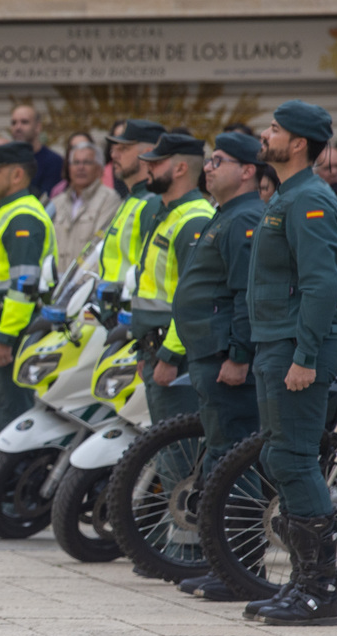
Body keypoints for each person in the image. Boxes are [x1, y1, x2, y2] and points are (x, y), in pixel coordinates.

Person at [245, 101, 337, 626]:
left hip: (298, 347)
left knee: (297, 458)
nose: (265, 134)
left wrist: (305, 355)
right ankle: (305, 584)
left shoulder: (309, 200)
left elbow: (323, 283)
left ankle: (319, 592)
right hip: (276, 343)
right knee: (282, 457)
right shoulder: (287, 197)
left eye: (275, 129)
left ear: (298, 142)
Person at [160, 131, 265, 603]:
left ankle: (240, 567)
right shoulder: (225, 216)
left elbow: (247, 295)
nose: (208, 166)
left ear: (247, 170)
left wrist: (239, 356)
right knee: (222, 457)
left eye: (218, 160)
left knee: (233, 462)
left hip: (225, 358)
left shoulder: (245, 220)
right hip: (209, 354)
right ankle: (222, 562)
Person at [0, 142, 57, 429]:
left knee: (14, 412)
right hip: (1, 321)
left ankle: (15, 473)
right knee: (8, 407)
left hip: (12, 328)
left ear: (17, 175)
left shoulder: (23, 217)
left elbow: (24, 283)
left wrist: (6, 339)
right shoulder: (10, 212)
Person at [132, 134, 214, 424]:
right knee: (165, 449)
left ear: (180, 169)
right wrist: (145, 350)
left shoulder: (194, 220)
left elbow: (193, 297)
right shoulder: (168, 214)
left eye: (156, 162)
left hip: (176, 355)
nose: (148, 167)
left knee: (177, 455)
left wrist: (169, 355)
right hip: (157, 348)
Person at [100, 120, 166, 290]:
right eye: (114, 148)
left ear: (148, 154)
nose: (114, 155)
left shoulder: (153, 202)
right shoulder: (133, 198)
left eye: (124, 149)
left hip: (129, 309)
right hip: (114, 308)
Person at [49, 141, 122, 271]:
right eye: (76, 163)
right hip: (56, 286)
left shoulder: (110, 200)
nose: (80, 167)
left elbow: (99, 249)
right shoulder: (56, 202)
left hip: (86, 286)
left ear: (100, 169)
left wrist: (80, 287)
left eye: (87, 162)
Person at [9, 104, 63, 199]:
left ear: (38, 127)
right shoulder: (7, 160)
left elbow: (45, 200)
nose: (18, 127)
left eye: (24, 122)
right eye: (14, 123)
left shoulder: (54, 162)